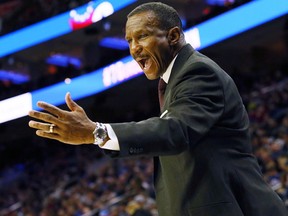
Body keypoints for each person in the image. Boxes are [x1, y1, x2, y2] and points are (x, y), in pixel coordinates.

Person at [28, 2, 287, 216]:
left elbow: (175, 131)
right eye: (129, 40)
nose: (133, 49)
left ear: (173, 36)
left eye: (142, 36)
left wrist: (97, 132)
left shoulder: (198, 72)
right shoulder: (174, 80)